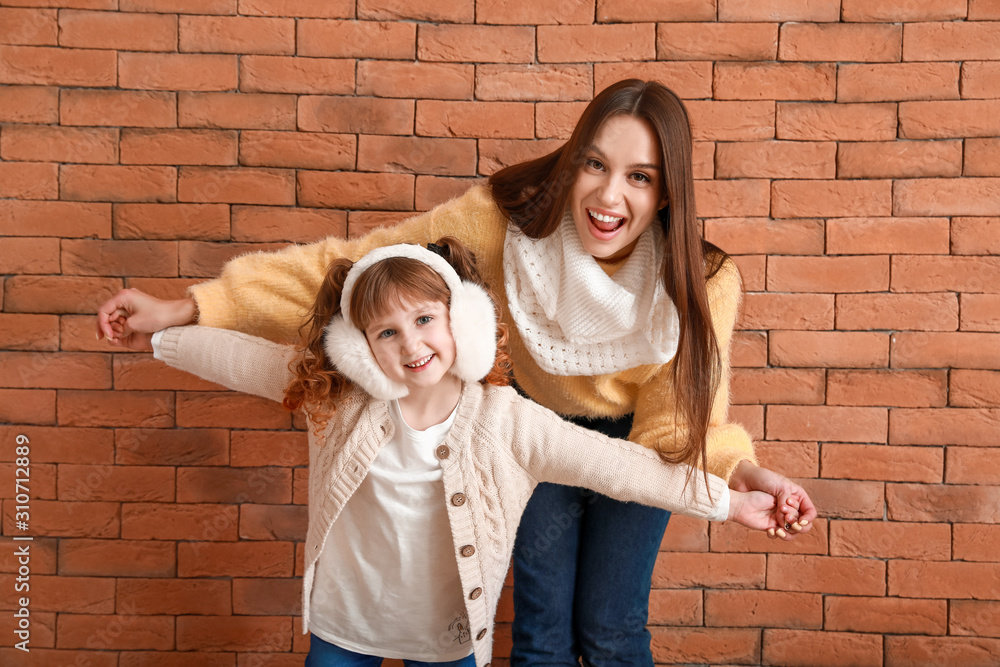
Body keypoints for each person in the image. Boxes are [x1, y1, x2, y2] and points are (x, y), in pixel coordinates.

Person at [97, 79, 817, 666]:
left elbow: (684, 413)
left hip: (642, 444)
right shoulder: (505, 224)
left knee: (611, 629)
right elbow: (352, 270)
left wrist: (734, 475)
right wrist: (191, 306)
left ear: (665, 193)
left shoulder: (704, 278)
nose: (608, 196)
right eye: (595, 163)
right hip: (525, 425)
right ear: (573, 160)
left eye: (640, 177)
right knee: (540, 632)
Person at [114, 239, 803, 667]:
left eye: (423, 319)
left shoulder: (505, 421)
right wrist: (156, 335)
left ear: (460, 320)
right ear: (359, 347)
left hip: (447, 632)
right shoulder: (340, 395)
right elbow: (243, 358)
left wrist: (729, 498)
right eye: (385, 332)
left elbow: (619, 466)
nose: (410, 344)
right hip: (345, 620)